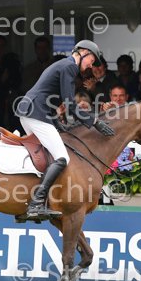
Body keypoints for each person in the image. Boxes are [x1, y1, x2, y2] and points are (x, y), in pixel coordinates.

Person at [15, 40, 114, 222]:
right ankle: (36, 204)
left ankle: (36, 199)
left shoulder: (65, 66)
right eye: (91, 60)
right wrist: (95, 122)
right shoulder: (69, 67)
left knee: (49, 156)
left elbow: (50, 97)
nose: (91, 66)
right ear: (82, 52)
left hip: (34, 111)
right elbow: (70, 104)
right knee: (62, 158)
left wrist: (58, 125)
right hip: (35, 113)